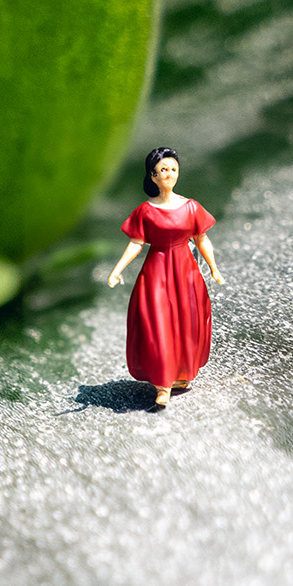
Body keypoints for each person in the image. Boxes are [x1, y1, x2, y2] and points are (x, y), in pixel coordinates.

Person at [107, 147, 223, 408]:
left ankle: (181, 372)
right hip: (156, 272)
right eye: (163, 170)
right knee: (157, 323)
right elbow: (136, 243)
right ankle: (162, 385)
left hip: (186, 271)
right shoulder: (146, 211)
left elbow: (202, 239)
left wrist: (213, 267)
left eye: (173, 169)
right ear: (153, 175)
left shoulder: (191, 207)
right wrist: (117, 269)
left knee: (185, 321)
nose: (168, 174)